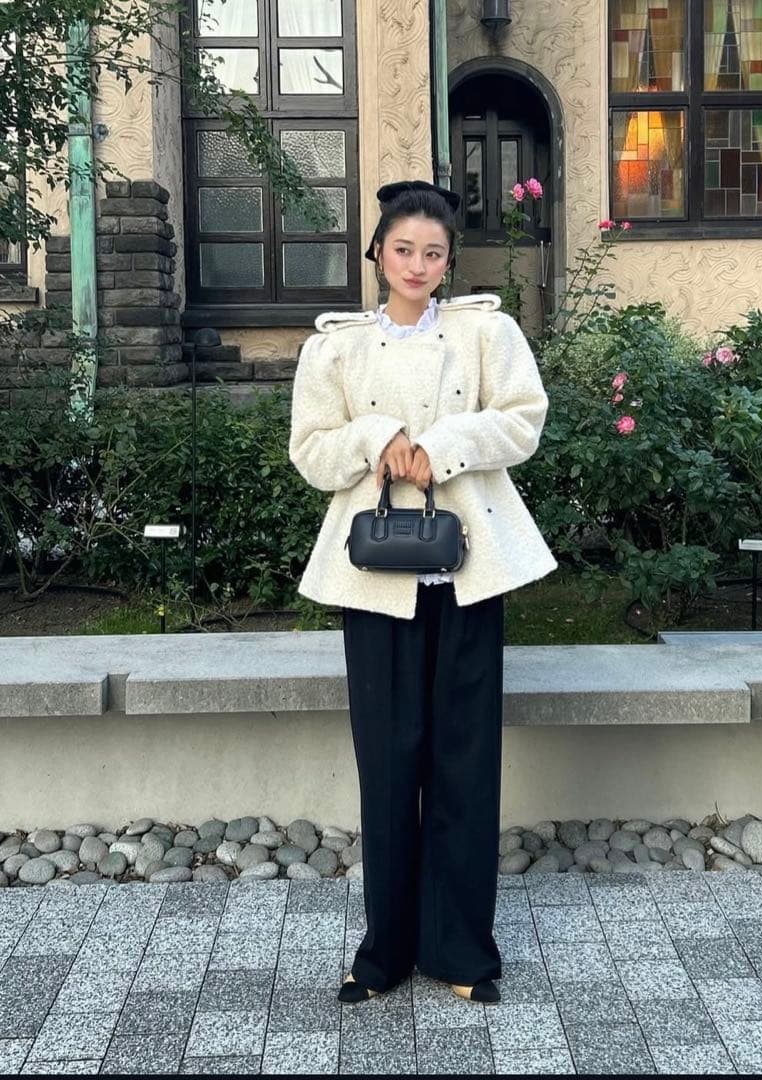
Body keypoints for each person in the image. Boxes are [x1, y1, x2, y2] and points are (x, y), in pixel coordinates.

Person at [288, 179, 558, 1006]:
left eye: (432, 252)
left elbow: (522, 418)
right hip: (373, 581)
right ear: (377, 252)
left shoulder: (486, 332)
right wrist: (380, 439)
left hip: (467, 574)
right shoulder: (335, 348)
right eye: (402, 249)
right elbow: (311, 450)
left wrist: (440, 445)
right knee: (386, 766)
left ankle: (460, 951)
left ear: (448, 261)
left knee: (464, 765)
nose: (416, 264)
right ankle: (384, 953)